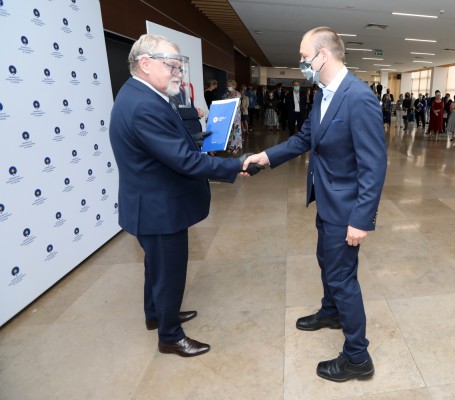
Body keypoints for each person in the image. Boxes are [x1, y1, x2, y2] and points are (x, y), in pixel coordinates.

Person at [242, 26, 386, 383]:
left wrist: (361, 220)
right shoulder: (323, 93)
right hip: (327, 200)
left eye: (305, 57)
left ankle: (357, 357)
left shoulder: (359, 97)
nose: (302, 63)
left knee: (342, 277)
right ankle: (331, 311)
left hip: (347, 209)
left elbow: (374, 165)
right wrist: (265, 156)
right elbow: (305, 138)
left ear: (324, 54)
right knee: (326, 262)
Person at [109, 34, 262, 358]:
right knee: (169, 272)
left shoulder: (139, 94)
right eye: (172, 66)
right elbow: (184, 161)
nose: (178, 72)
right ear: (145, 64)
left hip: (150, 204)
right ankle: (170, 335)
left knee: (157, 267)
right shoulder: (143, 105)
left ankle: (157, 315)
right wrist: (235, 166)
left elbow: (165, 146)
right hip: (159, 208)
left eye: (180, 66)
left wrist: (196, 138)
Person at [222, 80, 243, 155]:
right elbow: (223, 102)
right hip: (228, 115)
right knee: (229, 132)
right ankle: (231, 146)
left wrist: (227, 100)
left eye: (230, 86)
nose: (228, 87)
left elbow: (236, 104)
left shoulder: (237, 94)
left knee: (236, 131)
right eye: (228, 86)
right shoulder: (226, 94)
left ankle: (236, 147)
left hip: (235, 116)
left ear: (234, 86)